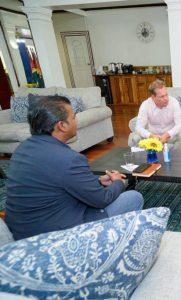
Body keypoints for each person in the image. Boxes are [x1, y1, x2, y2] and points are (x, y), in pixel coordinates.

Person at [5, 96, 144, 240]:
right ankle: (113, 244)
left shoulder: (22, 149)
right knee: (134, 197)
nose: (76, 121)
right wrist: (118, 183)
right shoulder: (69, 159)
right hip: (56, 236)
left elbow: (58, 182)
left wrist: (98, 181)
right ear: (62, 125)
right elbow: (102, 199)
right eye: (73, 117)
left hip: (22, 232)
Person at [132, 79, 181, 149]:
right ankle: (148, 158)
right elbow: (138, 127)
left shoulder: (174, 102)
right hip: (153, 135)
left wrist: (167, 135)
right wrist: (151, 136)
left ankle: (176, 157)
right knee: (136, 137)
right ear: (153, 97)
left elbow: (180, 125)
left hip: (170, 135)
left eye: (166, 95)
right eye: (162, 96)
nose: (166, 98)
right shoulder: (146, 104)